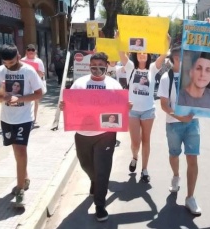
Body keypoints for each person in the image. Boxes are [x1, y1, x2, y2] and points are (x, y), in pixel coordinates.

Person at [60, 52, 128, 222]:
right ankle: (93, 180)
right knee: (85, 164)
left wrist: (126, 107)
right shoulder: (79, 83)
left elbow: (120, 110)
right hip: (82, 134)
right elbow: (71, 105)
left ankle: (100, 205)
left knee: (103, 170)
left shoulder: (114, 85)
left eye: (100, 66)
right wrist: (64, 106)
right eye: (93, 65)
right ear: (89, 66)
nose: (97, 69)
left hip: (105, 135)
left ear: (107, 66)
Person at [0, 44, 43, 208]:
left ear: (18, 56)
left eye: (11, 62)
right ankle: (24, 178)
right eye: (6, 63)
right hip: (7, 118)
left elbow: (39, 93)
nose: (8, 66)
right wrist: (3, 98)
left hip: (24, 118)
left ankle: (20, 191)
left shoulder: (28, 71)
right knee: (16, 150)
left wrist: (19, 99)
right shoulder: (0, 71)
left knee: (20, 150)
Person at [158, 44, 202, 216]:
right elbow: (163, 105)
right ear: (175, 59)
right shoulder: (166, 78)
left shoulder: (193, 75)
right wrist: (179, 117)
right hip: (173, 124)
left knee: (192, 158)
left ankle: (190, 197)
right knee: (174, 154)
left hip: (193, 123)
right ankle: (176, 176)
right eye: (182, 57)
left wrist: (209, 28)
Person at [119, 33, 169, 183]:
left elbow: (163, 54)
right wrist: (119, 38)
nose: (142, 55)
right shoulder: (130, 67)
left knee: (146, 140)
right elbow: (121, 53)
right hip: (132, 111)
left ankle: (144, 170)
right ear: (136, 55)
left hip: (148, 111)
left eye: (144, 53)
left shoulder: (153, 69)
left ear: (148, 55)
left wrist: (167, 41)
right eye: (139, 53)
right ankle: (135, 157)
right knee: (135, 142)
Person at [21, 44, 46, 125]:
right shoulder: (22, 60)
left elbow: (42, 74)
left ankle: (34, 118)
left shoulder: (38, 61)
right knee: (26, 100)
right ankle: (25, 117)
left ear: (35, 51)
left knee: (35, 101)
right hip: (25, 83)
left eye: (32, 50)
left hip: (36, 83)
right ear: (26, 51)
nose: (30, 52)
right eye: (29, 50)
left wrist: (37, 72)